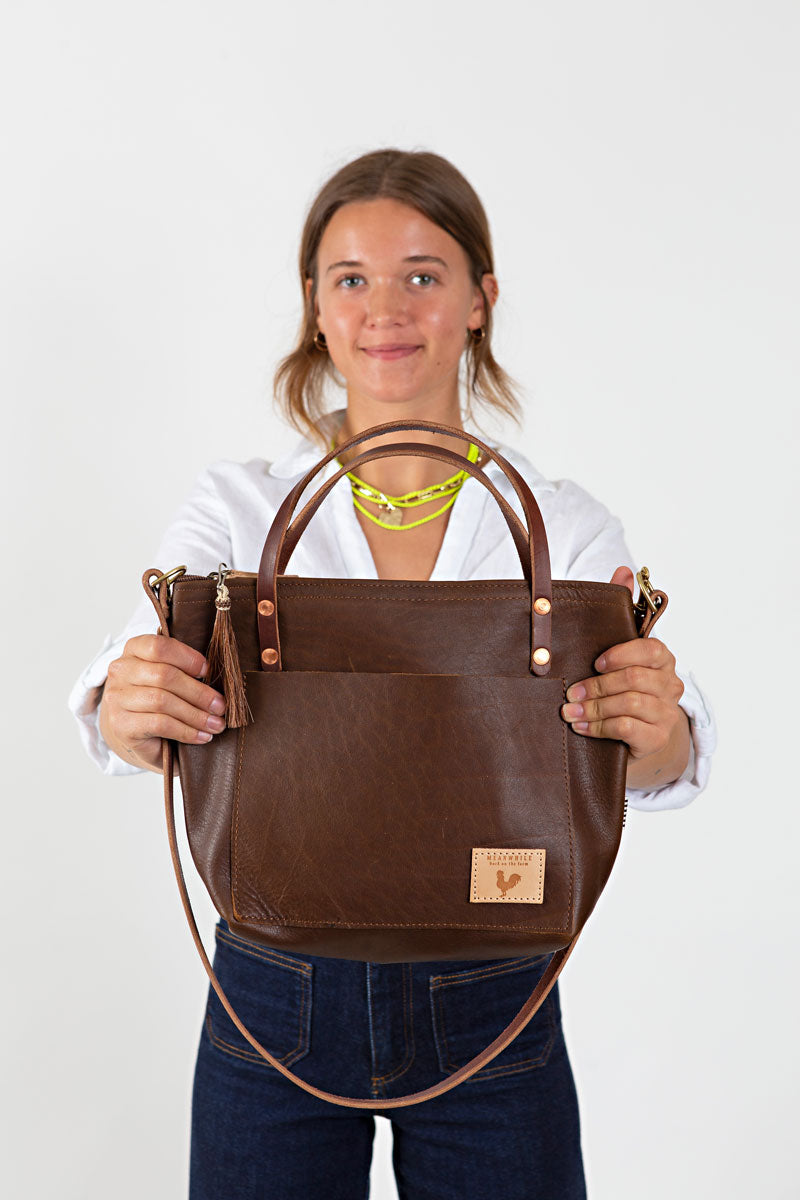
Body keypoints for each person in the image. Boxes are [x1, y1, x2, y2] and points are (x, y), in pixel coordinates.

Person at [68, 148, 716, 1199]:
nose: (386, 309)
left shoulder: (562, 526)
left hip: (496, 993)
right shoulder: (235, 510)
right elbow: (130, 712)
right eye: (351, 278)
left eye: (422, 274)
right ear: (315, 307)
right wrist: (130, 705)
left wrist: (657, 726)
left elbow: (650, 761)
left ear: (479, 300)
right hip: (271, 986)